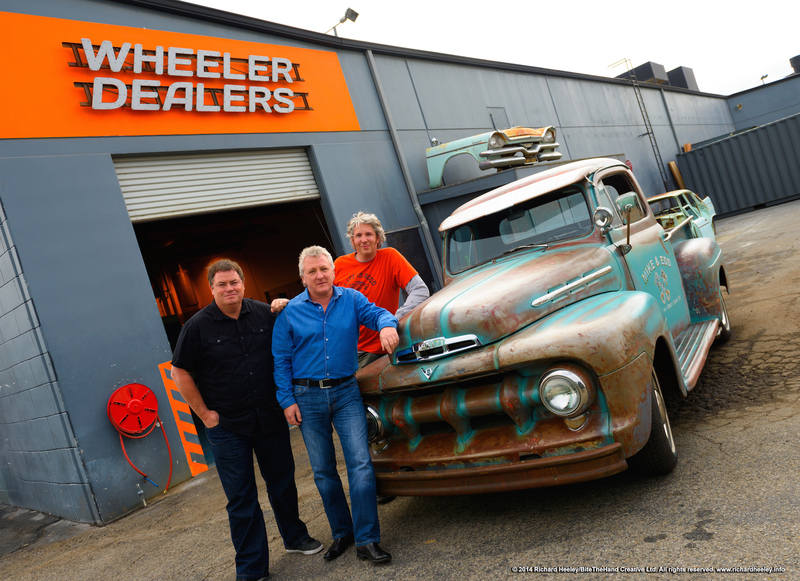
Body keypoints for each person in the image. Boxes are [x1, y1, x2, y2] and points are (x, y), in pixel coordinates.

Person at [171, 259, 321, 581]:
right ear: (211, 289)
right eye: (222, 284)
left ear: (243, 284)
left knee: (282, 483)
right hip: (227, 427)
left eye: (234, 283)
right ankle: (252, 569)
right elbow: (180, 371)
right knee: (241, 498)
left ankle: (295, 538)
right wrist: (206, 416)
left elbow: (292, 335)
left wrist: (282, 305)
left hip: (268, 417)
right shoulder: (196, 327)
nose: (229, 289)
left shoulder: (264, 314)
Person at [272, 246, 398, 565]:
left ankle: (368, 539)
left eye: (324, 269)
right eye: (312, 271)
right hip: (307, 397)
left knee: (360, 465)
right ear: (303, 277)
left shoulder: (352, 300)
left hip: (345, 392)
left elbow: (379, 313)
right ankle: (343, 532)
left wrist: (386, 325)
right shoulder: (290, 312)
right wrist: (286, 400)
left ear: (333, 271)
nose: (320, 275)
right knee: (324, 472)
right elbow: (281, 360)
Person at [334, 211, 430, 368]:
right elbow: (324, 299)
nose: (364, 240)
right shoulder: (340, 265)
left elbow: (420, 290)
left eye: (368, 234)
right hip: (349, 350)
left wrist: (393, 319)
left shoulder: (390, 257)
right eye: (358, 235)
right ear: (352, 241)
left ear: (378, 238)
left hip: (383, 347)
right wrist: (290, 303)